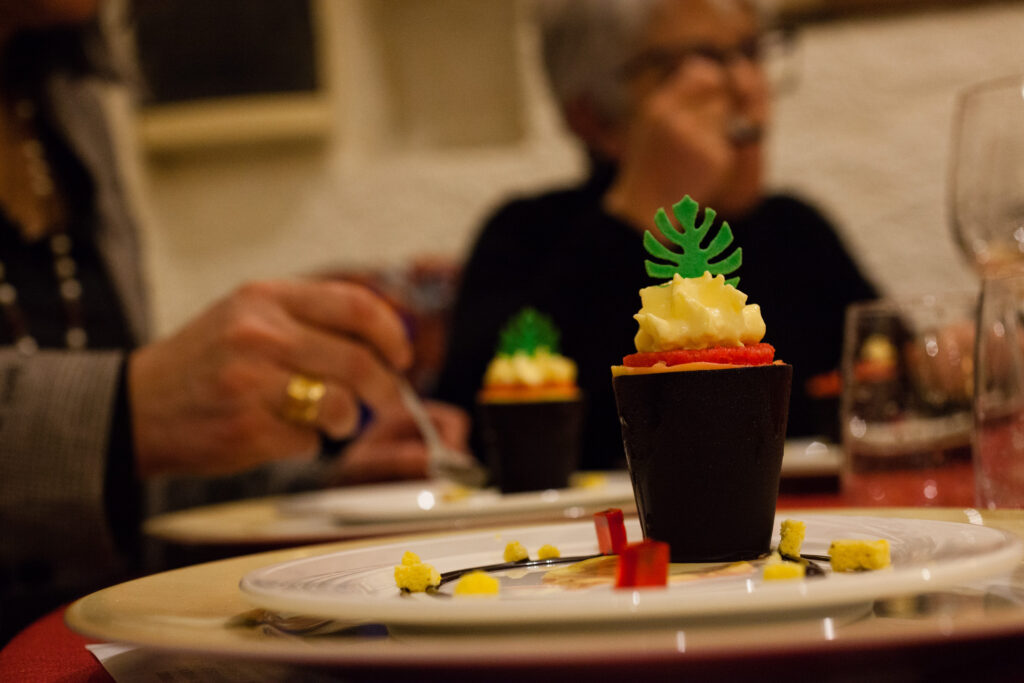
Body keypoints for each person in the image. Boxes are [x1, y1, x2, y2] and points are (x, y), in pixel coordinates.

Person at [0, 1, 466, 643]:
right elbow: (121, 421)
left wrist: (320, 482)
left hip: (108, 637)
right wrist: (129, 408)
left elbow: (116, 487)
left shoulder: (64, 99)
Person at [434, 0, 878, 471]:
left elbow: (889, 377)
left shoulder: (799, 232)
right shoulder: (524, 237)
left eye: (751, 50)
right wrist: (644, 206)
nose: (749, 84)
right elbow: (470, 441)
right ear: (594, 117)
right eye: (702, 60)